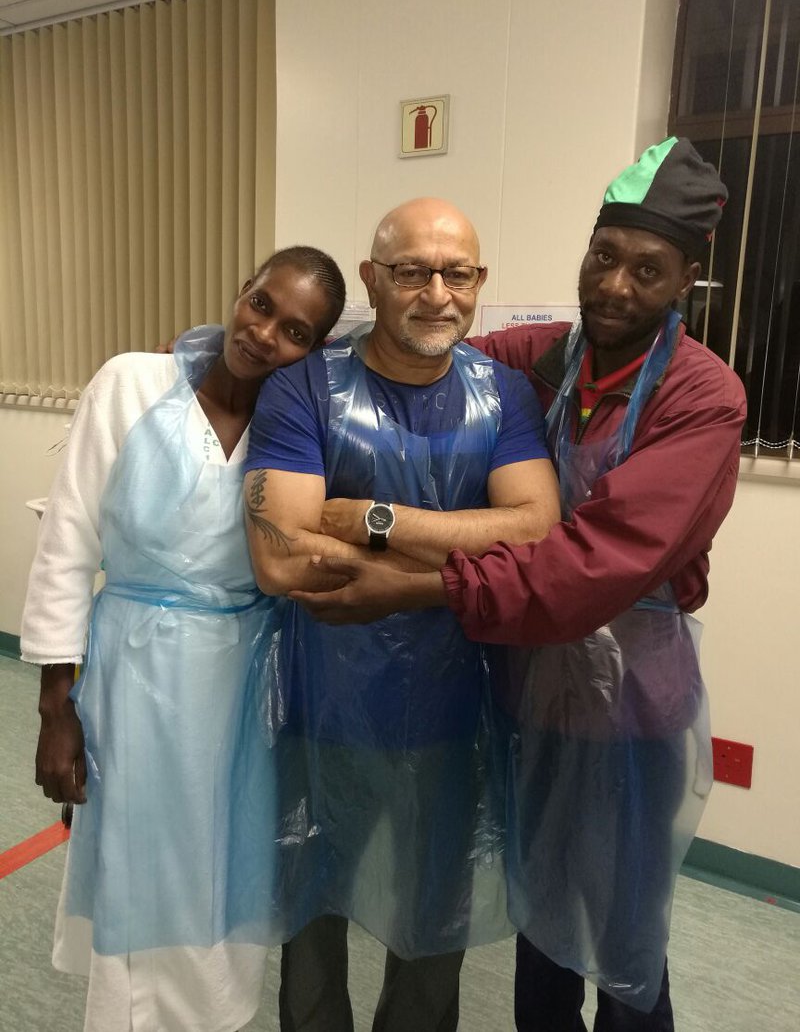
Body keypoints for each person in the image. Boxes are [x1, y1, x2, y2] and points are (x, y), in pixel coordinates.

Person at [289, 139, 747, 1031]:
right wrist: (239, 365)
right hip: (529, 694)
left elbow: (591, 566)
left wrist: (408, 580)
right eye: (603, 256)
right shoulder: (540, 361)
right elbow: (411, 342)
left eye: (647, 270)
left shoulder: (702, 396)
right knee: (541, 929)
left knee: (622, 947)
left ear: (686, 281)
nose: (615, 285)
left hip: (627, 708)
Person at [242, 197, 561, 1032]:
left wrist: (378, 523)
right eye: (413, 271)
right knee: (312, 914)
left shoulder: (505, 396)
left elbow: (537, 531)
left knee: (432, 933)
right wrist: (469, 548)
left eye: (458, 273)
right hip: (321, 705)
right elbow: (282, 556)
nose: (437, 294)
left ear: (480, 281)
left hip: (456, 711)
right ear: (373, 279)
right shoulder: (303, 390)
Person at [20, 246, 346, 1032]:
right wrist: (56, 708)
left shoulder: (296, 430)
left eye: (296, 331)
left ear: (315, 350)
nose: (265, 333)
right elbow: (67, 545)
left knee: (227, 870)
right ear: (241, 292)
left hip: (246, 686)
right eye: (262, 305)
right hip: (136, 672)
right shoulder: (132, 383)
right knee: (139, 871)